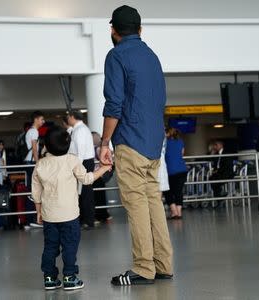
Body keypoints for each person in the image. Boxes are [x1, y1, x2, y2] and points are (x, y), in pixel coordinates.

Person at [100, 5, 173, 286]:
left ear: (113, 31)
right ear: (140, 30)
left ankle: (144, 268)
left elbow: (114, 103)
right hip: (154, 142)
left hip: (130, 140)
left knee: (137, 204)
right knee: (153, 200)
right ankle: (163, 263)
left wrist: (105, 142)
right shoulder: (152, 56)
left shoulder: (116, 55)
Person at [32, 126, 111, 290]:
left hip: (49, 215)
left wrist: (38, 211)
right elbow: (87, 179)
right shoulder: (72, 160)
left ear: (46, 145)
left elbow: (36, 192)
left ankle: (49, 278)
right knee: (70, 246)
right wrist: (103, 168)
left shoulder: (40, 164)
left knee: (50, 247)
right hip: (69, 215)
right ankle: (69, 277)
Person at [67, 111, 96, 229]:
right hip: (84, 162)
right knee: (84, 192)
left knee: (85, 192)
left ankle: (88, 220)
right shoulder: (80, 129)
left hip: (84, 162)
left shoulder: (80, 130)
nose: (67, 119)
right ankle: (86, 219)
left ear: (73, 117)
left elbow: (81, 150)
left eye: (68, 116)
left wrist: (76, 165)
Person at [25, 111, 45, 228]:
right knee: (34, 190)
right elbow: (34, 148)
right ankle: (33, 219)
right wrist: (38, 163)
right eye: (42, 119)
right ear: (36, 119)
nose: (43, 122)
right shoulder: (34, 131)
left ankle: (31, 219)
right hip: (31, 163)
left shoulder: (30, 131)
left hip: (29, 163)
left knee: (33, 190)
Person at [164, 128, 188, 219]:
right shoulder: (180, 141)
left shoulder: (165, 143)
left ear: (168, 134)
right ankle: (179, 212)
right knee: (178, 191)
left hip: (170, 170)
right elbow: (182, 153)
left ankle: (174, 212)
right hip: (182, 170)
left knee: (168, 191)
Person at [92, 131, 112, 223]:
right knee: (100, 196)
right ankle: (103, 215)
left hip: (94, 176)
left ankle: (99, 215)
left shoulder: (96, 149)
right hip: (99, 175)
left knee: (97, 196)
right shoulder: (99, 149)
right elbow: (111, 154)